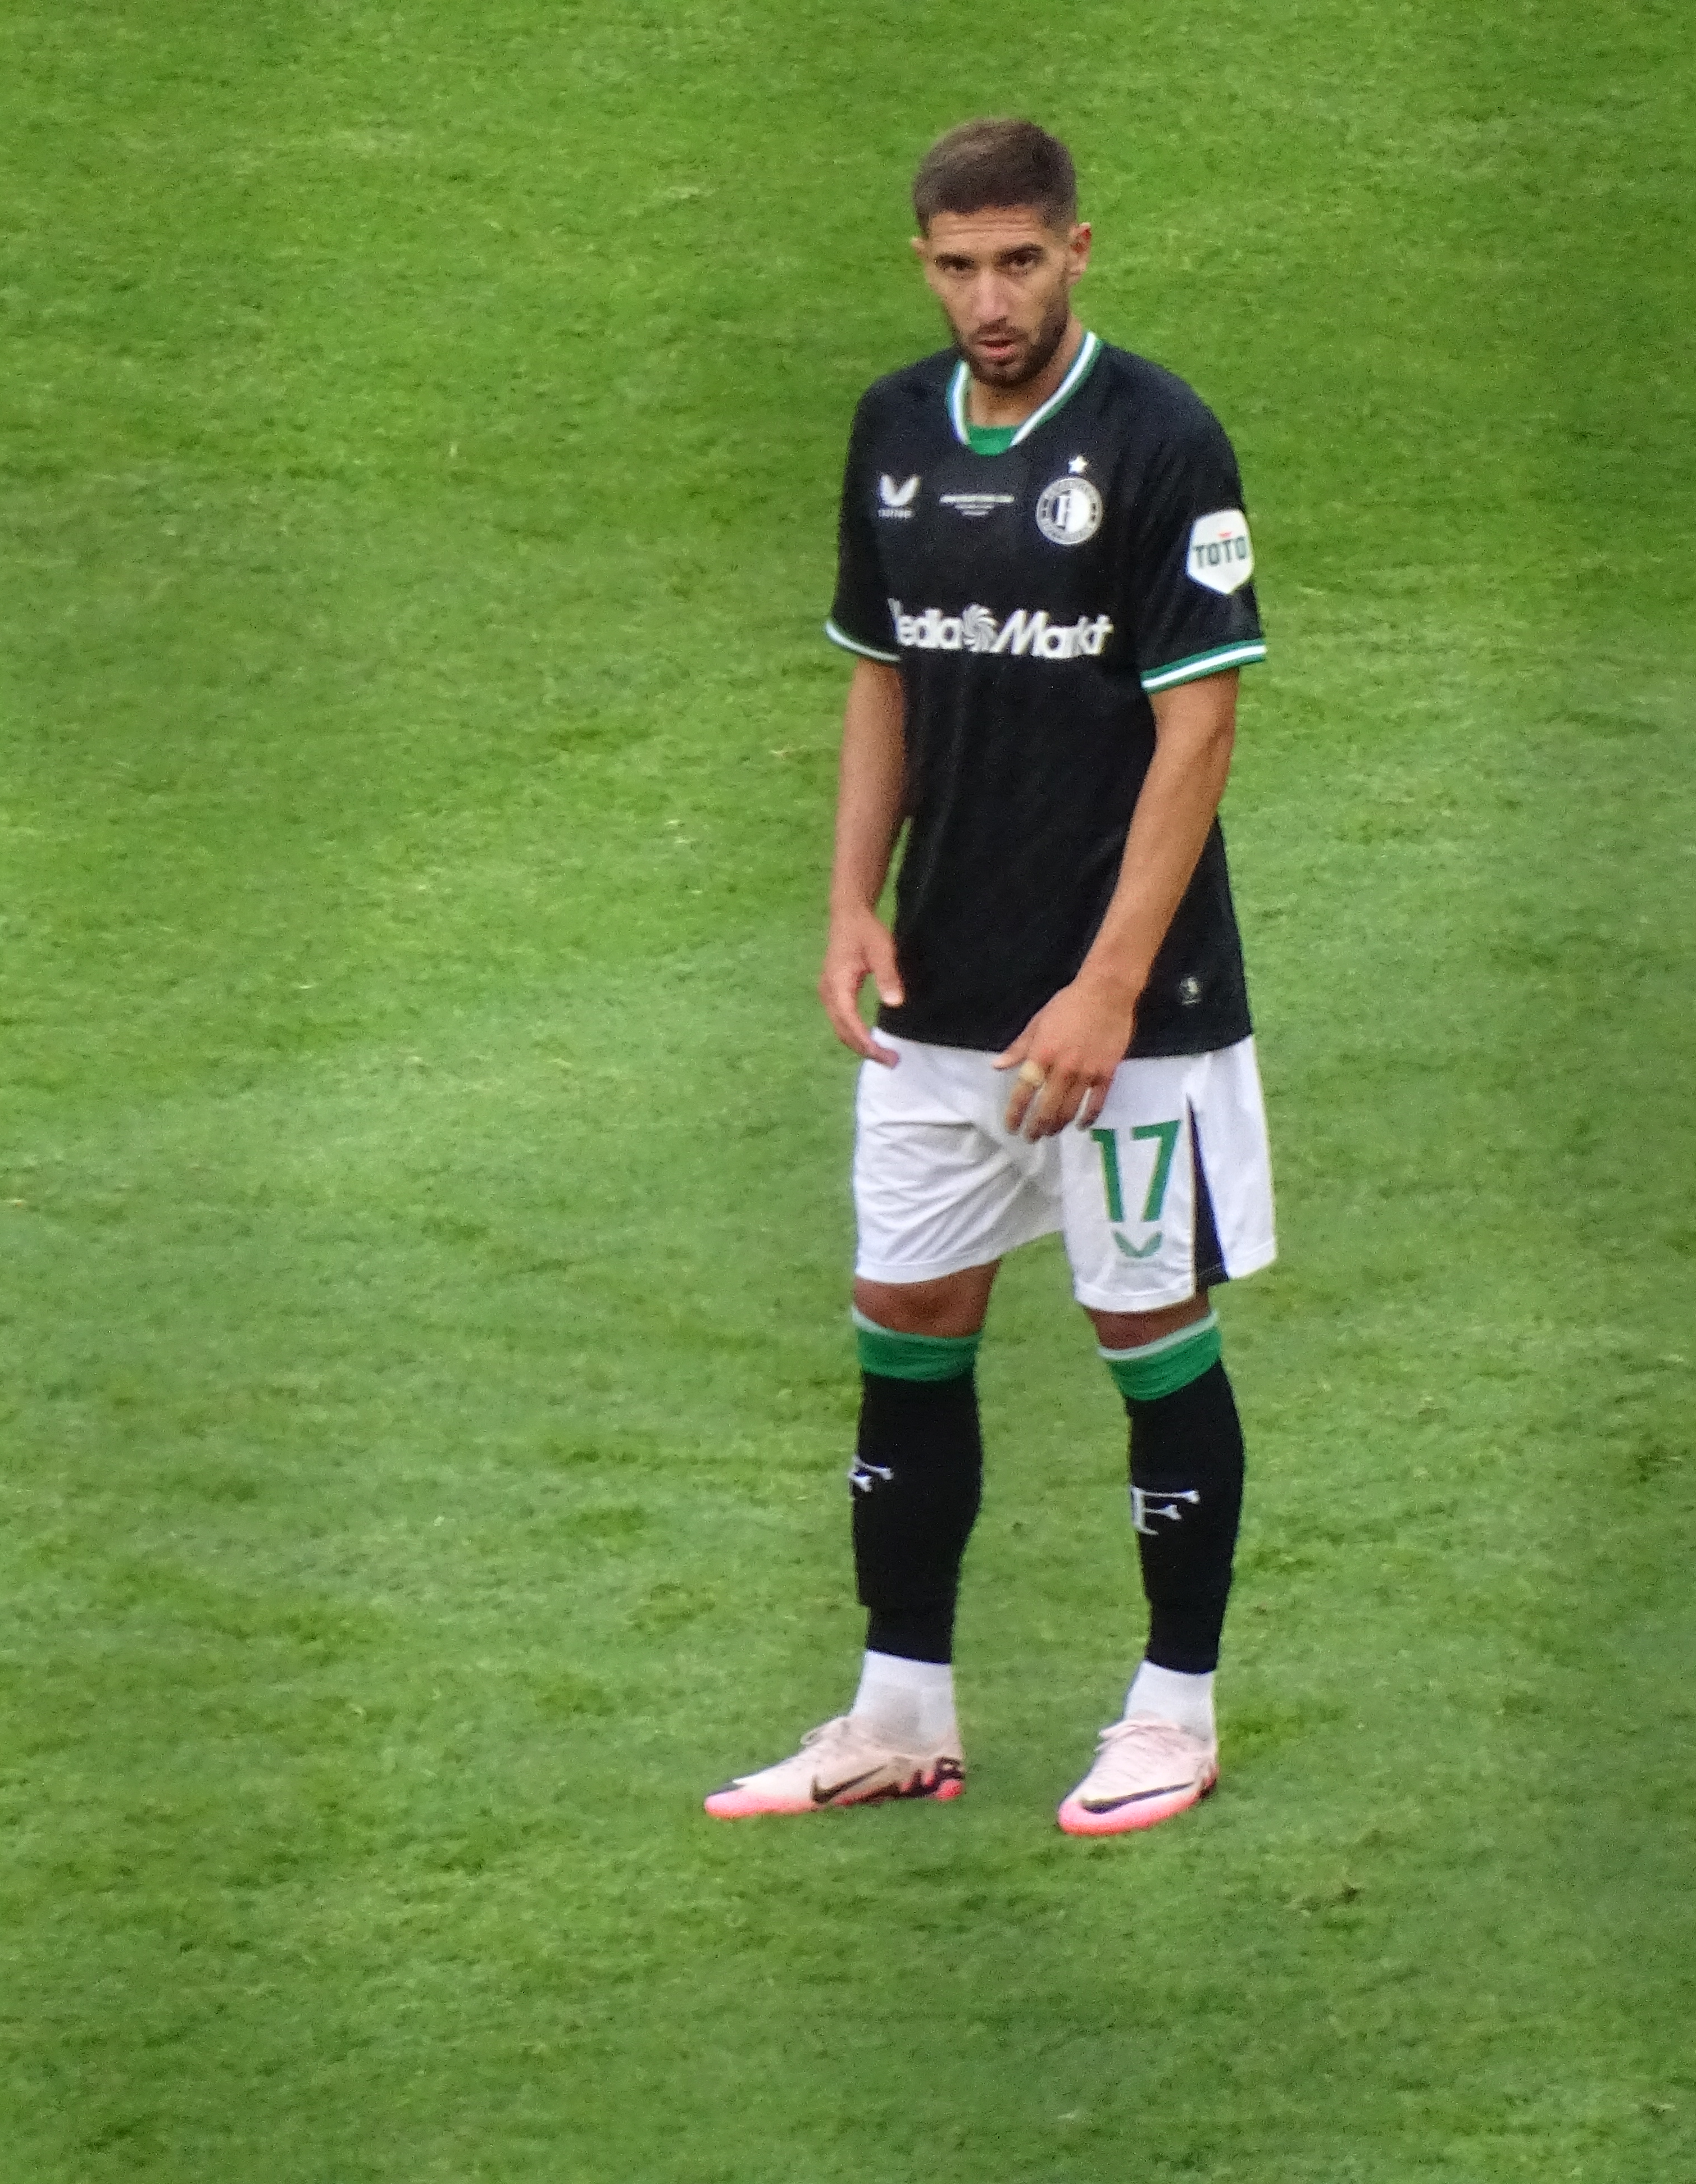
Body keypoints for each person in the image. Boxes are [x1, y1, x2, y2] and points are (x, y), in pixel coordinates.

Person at [705, 119, 1273, 1836]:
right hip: (939, 996)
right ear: (924, 264)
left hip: (1134, 1019)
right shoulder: (892, 430)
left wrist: (1107, 986)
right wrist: (848, 906)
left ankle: (1174, 1710)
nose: (989, 297)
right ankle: (899, 1713)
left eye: (1019, 261)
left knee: (1144, 1328)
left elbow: (1202, 725)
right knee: (907, 1329)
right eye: (958, 266)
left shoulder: (1162, 439)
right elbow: (881, 675)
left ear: (1079, 250)